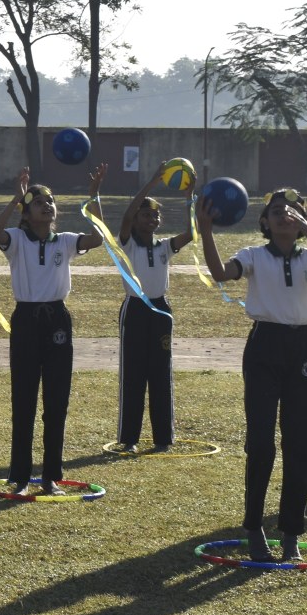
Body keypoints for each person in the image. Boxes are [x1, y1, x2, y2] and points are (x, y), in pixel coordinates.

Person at [196, 188, 307, 562]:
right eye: (277, 211)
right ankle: (254, 527)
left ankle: (291, 532)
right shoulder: (253, 255)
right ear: (265, 221)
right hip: (265, 346)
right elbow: (220, 273)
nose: (285, 215)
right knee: (261, 443)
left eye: (294, 211)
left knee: (301, 443)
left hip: (302, 347)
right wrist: (207, 231)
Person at [0, 165, 105, 496]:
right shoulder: (17, 239)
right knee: (23, 400)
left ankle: (51, 476)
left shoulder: (64, 242)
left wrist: (94, 197)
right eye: (38, 202)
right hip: (26, 319)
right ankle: (20, 477)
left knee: (56, 401)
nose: (47, 206)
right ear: (26, 213)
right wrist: (15, 199)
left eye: (50, 201)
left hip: (57, 320)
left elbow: (97, 238)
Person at [111, 169, 195, 453]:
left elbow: (191, 234)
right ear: (136, 219)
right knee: (133, 373)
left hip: (160, 310)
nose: (152, 219)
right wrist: (152, 182)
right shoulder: (127, 243)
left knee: (161, 372)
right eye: (146, 215)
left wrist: (189, 197)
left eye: (156, 216)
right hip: (135, 308)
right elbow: (126, 217)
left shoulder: (164, 246)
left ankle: (163, 438)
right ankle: (129, 439)